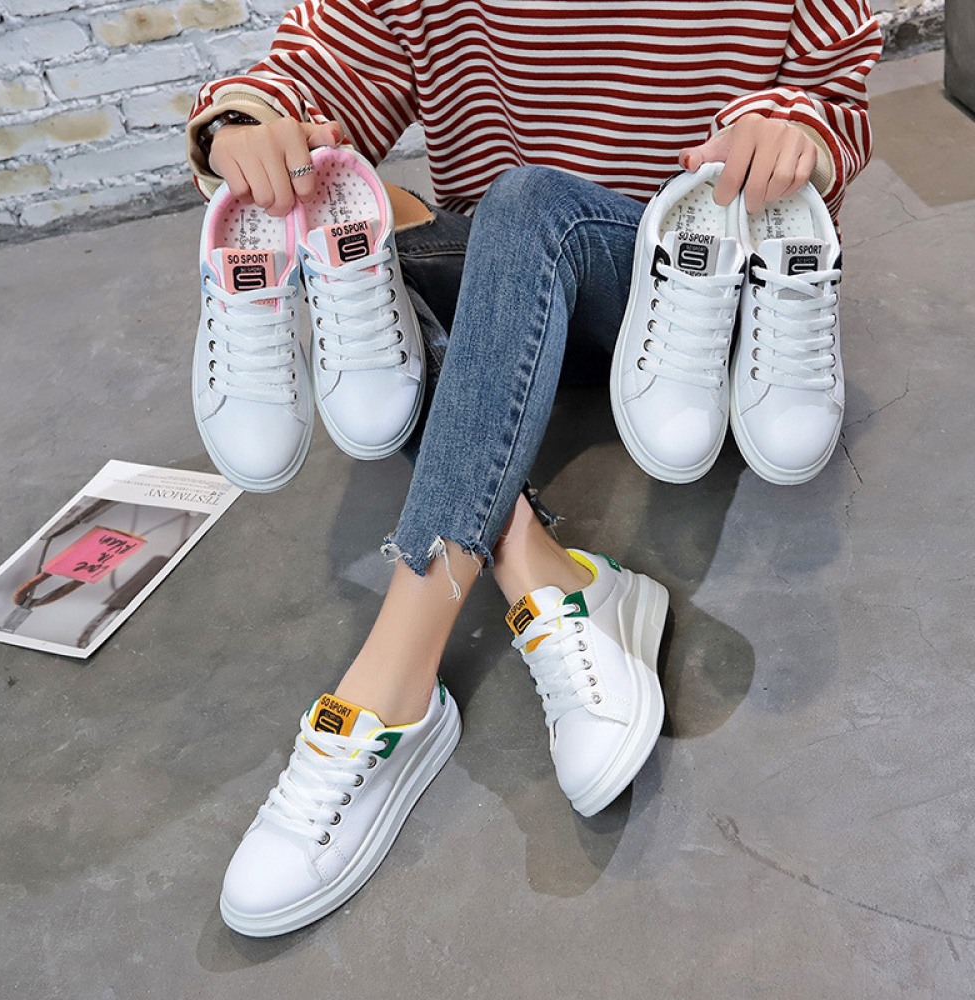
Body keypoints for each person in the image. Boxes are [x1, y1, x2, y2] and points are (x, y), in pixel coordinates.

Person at [186, 1, 882, 937]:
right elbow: (326, 61)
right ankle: (544, 574)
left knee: (525, 205)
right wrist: (247, 125)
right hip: (504, 289)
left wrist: (792, 136)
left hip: (686, 291)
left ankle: (389, 685)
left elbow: (835, 95)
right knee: (361, 220)